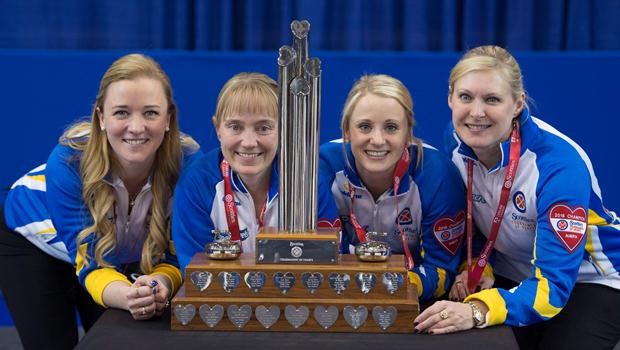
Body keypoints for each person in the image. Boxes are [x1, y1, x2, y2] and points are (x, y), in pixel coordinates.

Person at [414, 45, 620, 349]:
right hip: (514, 274)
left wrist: (476, 310)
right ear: (450, 98)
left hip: (586, 281)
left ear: (518, 104)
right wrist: (477, 264)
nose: (477, 113)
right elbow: (476, 214)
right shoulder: (458, 139)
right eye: (466, 97)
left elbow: (552, 289)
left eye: (492, 99)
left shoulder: (558, 167)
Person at [0, 53, 200, 349]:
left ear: (168, 118)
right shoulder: (68, 162)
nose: (136, 127)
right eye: (121, 112)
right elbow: (91, 264)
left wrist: (158, 287)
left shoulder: (189, 164)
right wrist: (127, 295)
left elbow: (177, 255)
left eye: (150, 113)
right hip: (32, 243)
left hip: (115, 251)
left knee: (119, 340)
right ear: (101, 118)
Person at [172, 72, 339, 273]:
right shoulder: (196, 184)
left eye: (263, 128)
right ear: (217, 129)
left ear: (284, 129)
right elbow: (196, 275)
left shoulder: (308, 182)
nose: (249, 142)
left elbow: (326, 266)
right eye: (235, 127)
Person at [319, 74, 466, 302]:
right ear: (347, 131)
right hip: (341, 294)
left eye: (391, 127)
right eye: (365, 126)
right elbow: (320, 255)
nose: (377, 140)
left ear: (408, 133)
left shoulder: (438, 175)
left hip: (412, 299)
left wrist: (391, 287)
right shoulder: (323, 167)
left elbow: (440, 269)